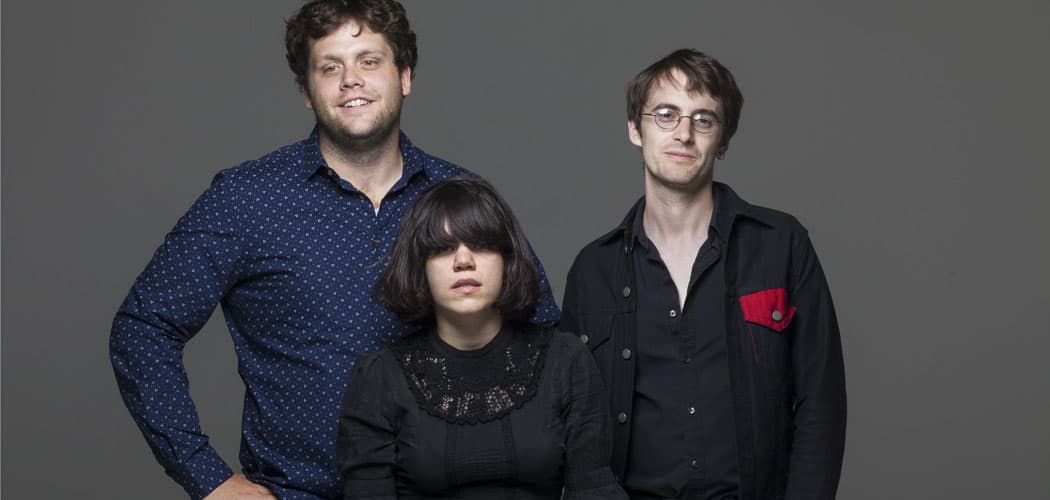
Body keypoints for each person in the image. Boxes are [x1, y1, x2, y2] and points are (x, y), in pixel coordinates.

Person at [109, 1, 559, 499]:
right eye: (330, 67)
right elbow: (143, 329)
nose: (351, 81)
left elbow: (543, 337)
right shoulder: (246, 199)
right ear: (307, 91)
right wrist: (208, 478)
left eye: (369, 61)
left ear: (404, 76)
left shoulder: (461, 196)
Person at [560, 49, 847, 500]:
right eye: (665, 115)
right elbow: (573, 422)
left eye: (704, 119)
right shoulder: (592, 269)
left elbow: (821, 402)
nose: (684, 134)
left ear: (724, 140)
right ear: (635, 129)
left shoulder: (781, 245)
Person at [336, 177, 626, 500]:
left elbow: (594, 490)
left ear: (506, 260)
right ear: (421, 268)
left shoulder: (566, 361)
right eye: (443, 249)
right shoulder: (379, 378)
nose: (464, 261)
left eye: (481, 244)